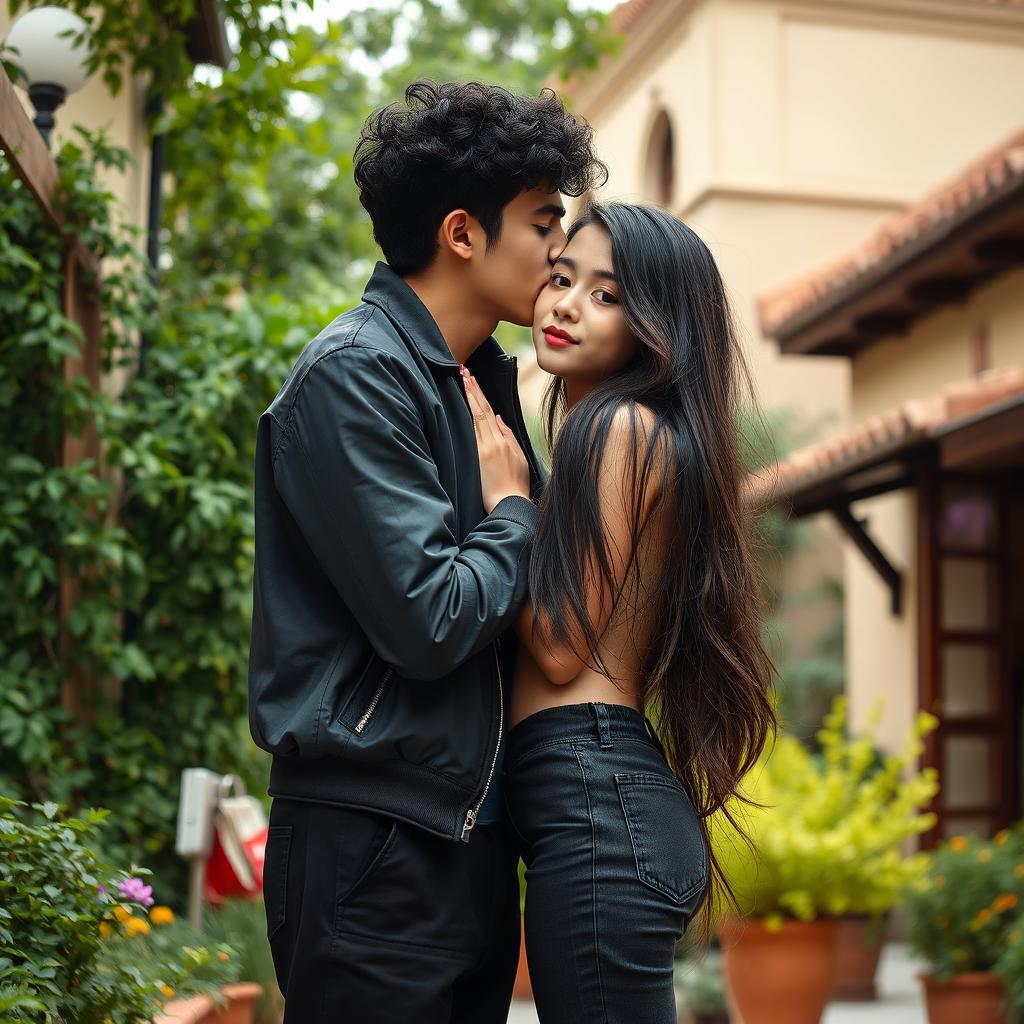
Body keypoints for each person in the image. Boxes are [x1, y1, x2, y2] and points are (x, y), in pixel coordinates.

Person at [247, 80, 605, 1023]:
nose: (558, 251)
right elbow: (432, 618)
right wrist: (518, 512)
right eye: (541, 223)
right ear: (461, 234)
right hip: (373, 842)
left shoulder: (478, 383)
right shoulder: (355, 377)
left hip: (465, 842)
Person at [462, 201, 777, 1024]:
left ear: (654, 327)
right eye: (562, 278)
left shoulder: (616, 426)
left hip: (596, 800)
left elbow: (562, 648)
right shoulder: (637, 432)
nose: (565, 304)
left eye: (607, 295)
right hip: (607, 799)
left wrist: (508, 507)